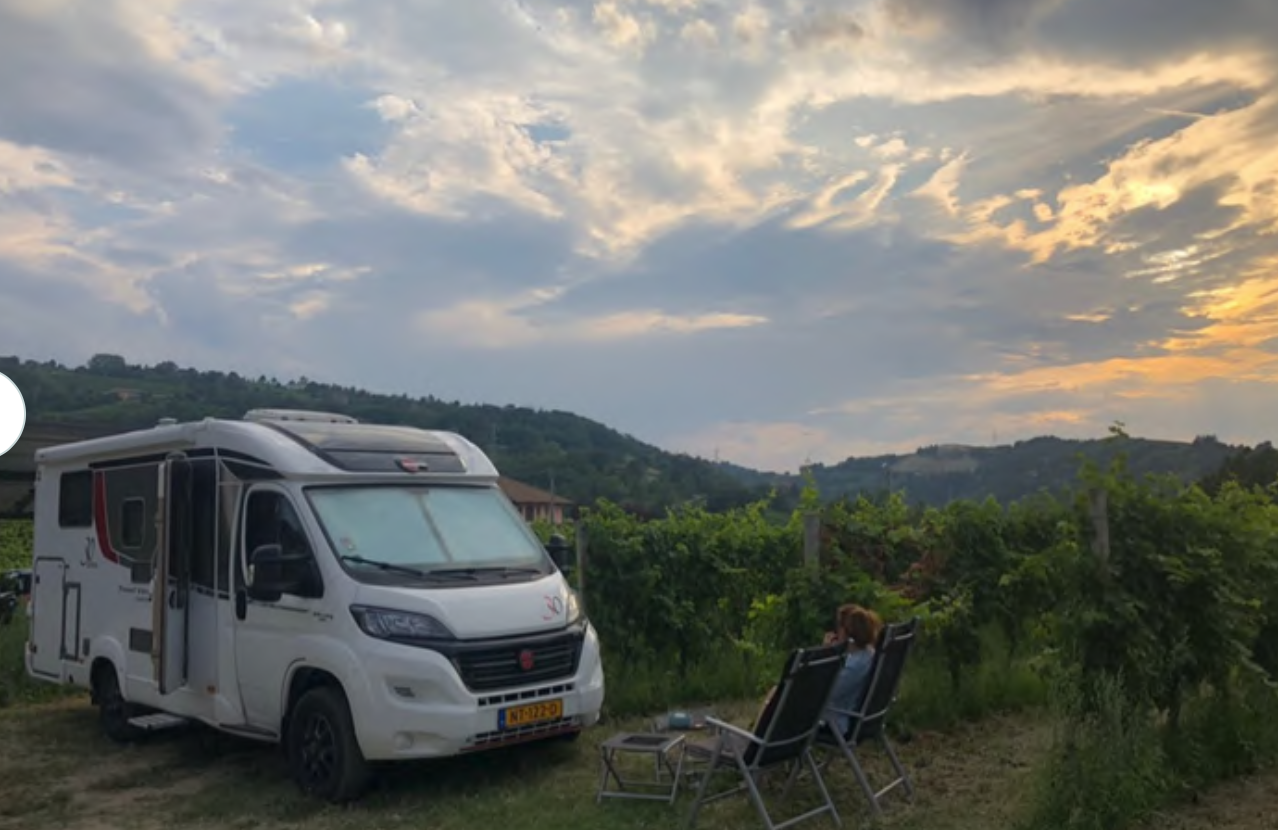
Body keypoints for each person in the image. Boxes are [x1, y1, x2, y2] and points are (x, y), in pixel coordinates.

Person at [822, 603, 883, 737]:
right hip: (852, 714)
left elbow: (823, 693)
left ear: (845, 632)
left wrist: (826, 654)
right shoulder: (870, 654)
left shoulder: (853, 666)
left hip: (834, 721)